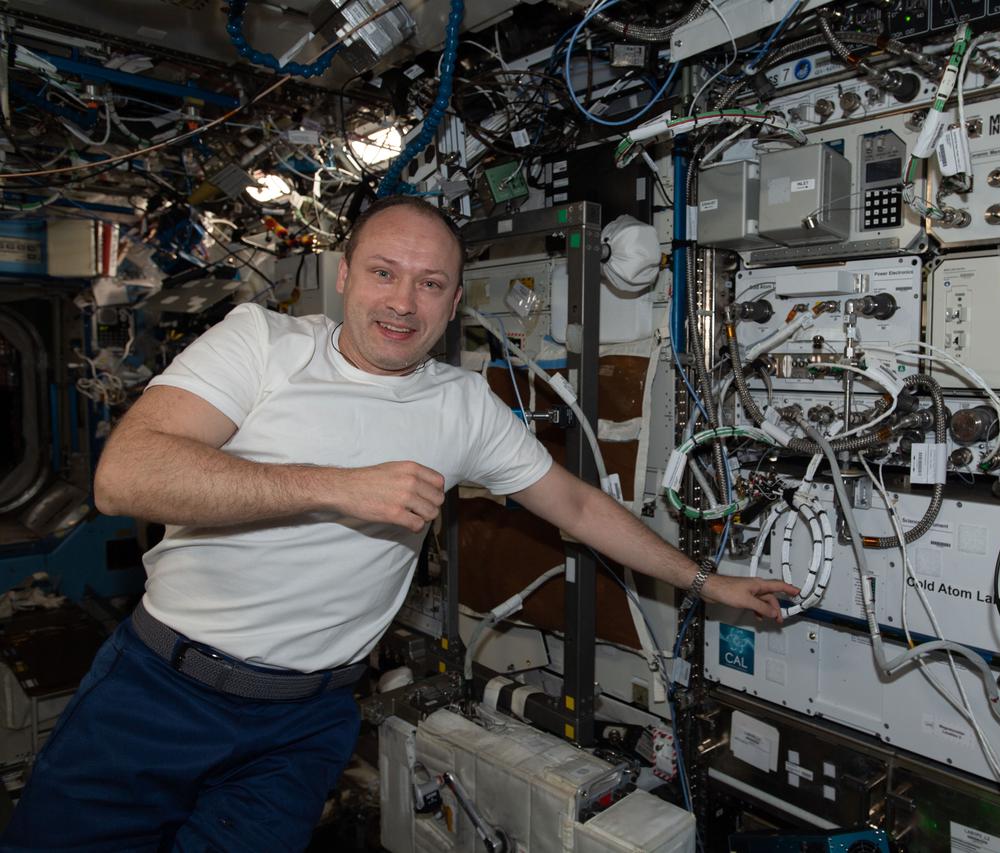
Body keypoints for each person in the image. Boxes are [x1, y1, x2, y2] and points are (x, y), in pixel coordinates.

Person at [1, 196, 798, 850]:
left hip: (304, 723)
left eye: (429, 284)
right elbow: (126, 474)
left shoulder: (460, 405)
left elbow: (581, 506)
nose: (402, 302)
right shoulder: (263, 345)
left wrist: (707, 579)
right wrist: (334, 487)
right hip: (162, 691)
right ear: (343, 275)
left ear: (454, 302)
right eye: (384, 272)